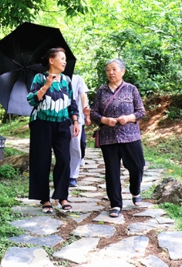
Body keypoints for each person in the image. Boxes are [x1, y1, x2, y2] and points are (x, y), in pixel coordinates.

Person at [89, 58, 146, 217]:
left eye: (114, 69)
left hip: (131, 136)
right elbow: (94, 112)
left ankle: (135, 190)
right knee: (112, 171)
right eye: (108, 70)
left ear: (123, 71)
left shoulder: (131, 89)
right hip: (109, 137)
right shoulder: (101, 91)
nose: (111, 72)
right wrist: (104, 120)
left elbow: (141, 111)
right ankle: (115, 204)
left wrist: (128, 118)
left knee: (137, 166)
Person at [27, 47, 80, 213]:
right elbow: (31, 100)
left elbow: (71, 102)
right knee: (41, 161)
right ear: (51, 60)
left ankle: (62, 196)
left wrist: (75, 121)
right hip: (41, 123)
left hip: (62, 124)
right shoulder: (39, 78)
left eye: (65, 59)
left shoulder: (67, 80)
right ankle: (44, 199)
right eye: (61, 58)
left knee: (64, 159)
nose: (64, 61)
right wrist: (46, 85)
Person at [69, 74, 91, 187]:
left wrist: (85, 111)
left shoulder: (77, 78)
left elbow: (83, 95)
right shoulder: (53, 78)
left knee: (76, 146)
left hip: (77, 118)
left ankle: (73, 176)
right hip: (59, 118)